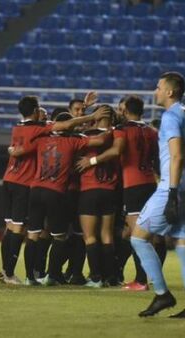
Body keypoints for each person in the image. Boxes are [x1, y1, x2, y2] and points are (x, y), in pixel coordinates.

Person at [0, 93, 104, 285]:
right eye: (41, 111)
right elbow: (95, 138)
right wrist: (94, 118)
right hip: (50, 189)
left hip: (22, 184)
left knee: (24, 231)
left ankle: (23, 274)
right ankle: (49, 274)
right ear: (35, 111)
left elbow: (19, 149)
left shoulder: (26, 132)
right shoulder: (51, 133)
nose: (44, 116)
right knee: (58, 235)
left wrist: (12, 150)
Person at [130, 71, 185, 319]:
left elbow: (177, 155)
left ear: (170, 92)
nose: (156, 91)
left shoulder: (171, 116)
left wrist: (171, 191)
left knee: (138, 238)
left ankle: (162, 294)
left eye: (159, 87)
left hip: (173, 188)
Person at [76, 95, 160, 291]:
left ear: (125, 111)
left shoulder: (122, 130)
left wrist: (91, 161)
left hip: (133, 184)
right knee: (141, 234)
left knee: (138, 236)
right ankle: (136, 275)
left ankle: (141, 280)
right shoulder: (151, 131)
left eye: (121, 109)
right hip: (149, 183)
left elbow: (116, 150)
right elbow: (156, 157)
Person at [73, 105, 121, 288]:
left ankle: (95, 278)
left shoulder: (86, 135)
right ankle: (111, 277)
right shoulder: (118, 135)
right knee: (107, 235)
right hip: (110, 190)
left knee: (90, 237)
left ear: (97, 116)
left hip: (89, 189)